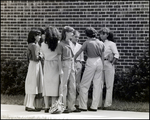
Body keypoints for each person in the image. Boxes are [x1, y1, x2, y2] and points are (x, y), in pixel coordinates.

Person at [74, 27, 105, 111]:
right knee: (97, 85)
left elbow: (78, 52)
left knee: (84, 84)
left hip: (91, 61)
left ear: (87, 35)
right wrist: (103, 67)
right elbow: (102, 56)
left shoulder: (87, 42)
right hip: (99, 62)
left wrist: (72, 59)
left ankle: (83, 106)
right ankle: (94, 106)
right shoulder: (101, 43)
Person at [57, 26, 81, 113]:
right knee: (64, 85)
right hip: (64, 64)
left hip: (71, 63)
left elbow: (73, 55)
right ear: (66, 33)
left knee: (73, 85)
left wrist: (73, 65)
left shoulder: (70, 43)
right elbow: (59, 58)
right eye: (71, 32)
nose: (72, 34)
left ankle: (72, 106)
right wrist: (60, 69)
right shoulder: (60, 44)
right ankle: (62, 106)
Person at [41, 26, 62, 113]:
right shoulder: (58, 44)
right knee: (55, 85)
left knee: (46, 85)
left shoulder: (43, 44)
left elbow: (43, 56)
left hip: (47, 63)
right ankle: (53, 105)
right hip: (56, 64)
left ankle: (46, 106)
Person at [98, 27, 119, 109]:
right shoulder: (98, 43)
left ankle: (107, 104)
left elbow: (116, 55)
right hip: (99, 63)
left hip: (108, 63)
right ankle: (98, 104)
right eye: (100, 34)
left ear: (107, 35)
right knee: (99, 84)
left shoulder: (111, 44)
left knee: (109, 85)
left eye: (103, 34)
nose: (101, 35)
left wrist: (112, 63)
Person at [24, 29, 44, 112]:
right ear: (34, 37)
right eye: (38, 35)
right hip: (35, 65)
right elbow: (36, 58)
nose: (40, 37)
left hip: (31, 65)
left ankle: (29, 104)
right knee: (34, 84)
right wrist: (41, 56)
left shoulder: (30, 44)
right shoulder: (35, 45)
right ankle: (30, 105)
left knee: (31, 83)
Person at [70, 30, 84, 107]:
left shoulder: (80, 46)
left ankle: (77, 102)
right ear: (72, 36)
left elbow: (82, 58)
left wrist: (79, 65)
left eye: (78, 37)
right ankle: (70, 102)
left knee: (78, 83)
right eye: (75, 37)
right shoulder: (68, 44)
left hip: (78, 64)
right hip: (70, 64)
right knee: (71, 83)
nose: (77, 38)